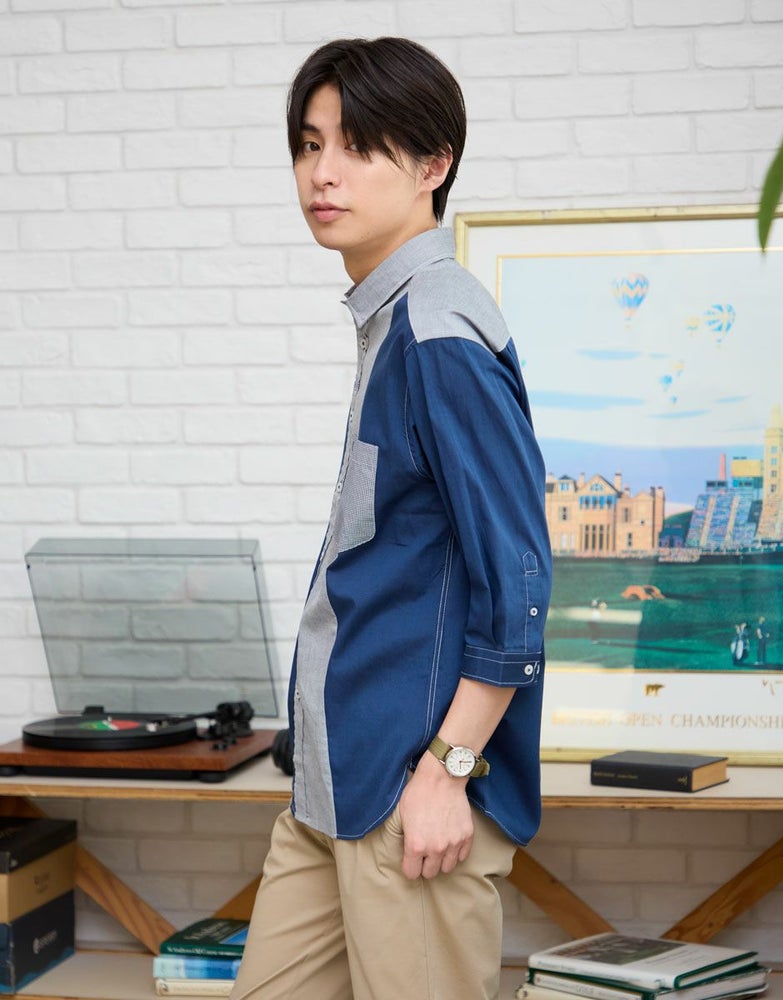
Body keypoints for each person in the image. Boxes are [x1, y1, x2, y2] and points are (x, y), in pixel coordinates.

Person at [230, 36, 552, 1000]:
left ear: (432, 165)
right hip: (332, 786)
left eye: (357, 145)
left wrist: (449, 770)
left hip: (408, 796)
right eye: (309, 143)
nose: (322, 173)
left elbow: (519, 582)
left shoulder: (437, 331)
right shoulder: (393, 321)